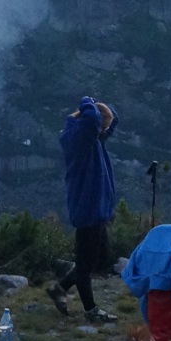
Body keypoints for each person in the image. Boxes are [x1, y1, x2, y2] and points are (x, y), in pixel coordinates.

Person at [47, 96, 121, 322]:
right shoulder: (80, 141)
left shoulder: (91, 139)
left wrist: (102, 110)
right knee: (86, 264)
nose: (104, 132)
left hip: (96, 210)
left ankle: (60, 288)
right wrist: (88, 102)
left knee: (98, 258)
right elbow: (90, 121)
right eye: (102, 127)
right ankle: (91, 311)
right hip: (87, 209)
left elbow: (109, 122)